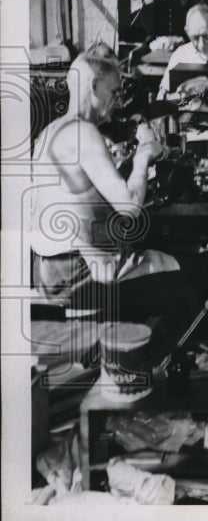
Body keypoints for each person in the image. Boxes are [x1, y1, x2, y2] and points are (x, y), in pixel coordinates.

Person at [30, 52, 195, 337]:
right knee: (190, 276)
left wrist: (132, 163)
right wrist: (144, 155)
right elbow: (129, 208)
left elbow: (86, 190)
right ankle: (157, 363)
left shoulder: (49, 132)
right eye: (114, 91)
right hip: (81, 278)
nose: (118, 102)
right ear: (93, 86)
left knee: (149, 258)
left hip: (47, 273)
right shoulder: (85, 132)